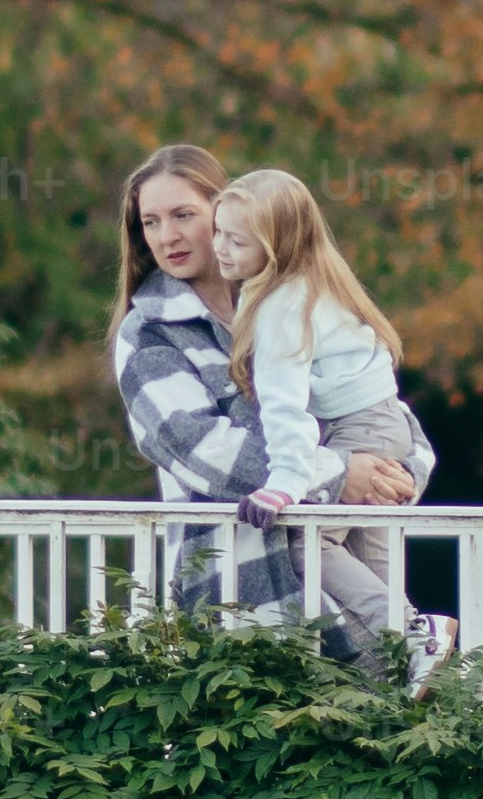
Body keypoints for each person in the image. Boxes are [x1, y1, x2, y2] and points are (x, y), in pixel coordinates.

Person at [106, 144, 410, 633]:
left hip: (346, 600)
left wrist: (400, 473)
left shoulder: (290, 301)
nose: (167, 236)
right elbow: (206, 452)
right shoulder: (149, 334)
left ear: (225, 211)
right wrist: (338, 476)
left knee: (401, 664)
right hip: (242, 598)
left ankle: (411, 636)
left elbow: (375, 403)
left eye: (183, 215)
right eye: (151, 222)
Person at [210, 167, 450, 671]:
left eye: (237, 241)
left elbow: (284, 404)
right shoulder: (310, 285)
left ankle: (413, 633)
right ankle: (419, 663)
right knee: (375, 563)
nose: (220, 248)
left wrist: (286, 482)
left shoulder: (282, 305)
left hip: (360, 430)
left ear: (276, 247)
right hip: (379, 425)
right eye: (218, 232)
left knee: (307, 547)